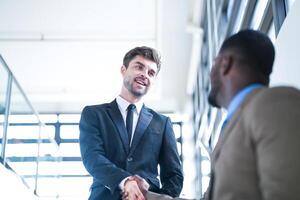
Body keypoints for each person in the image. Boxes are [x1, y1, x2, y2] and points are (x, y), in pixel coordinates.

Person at [146, 29, 300, 200]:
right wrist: (145, 195)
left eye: (213, 63)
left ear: (225, 63)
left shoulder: (275, 104)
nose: (210, 73)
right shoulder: (232, 127)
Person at [79, 46, 183, 200]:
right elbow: (92, 158)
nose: (144, 75)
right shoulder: (94, 114)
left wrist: (161, 198)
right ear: (123, 70)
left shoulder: (162, 123)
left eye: (151, 73)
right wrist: (125, 181)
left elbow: (174, 174)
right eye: (139, 67)